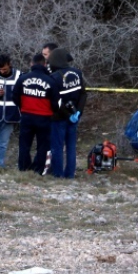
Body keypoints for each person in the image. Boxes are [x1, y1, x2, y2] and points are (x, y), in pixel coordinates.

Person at [12, 53, 58, 173]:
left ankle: (23, 167)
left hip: (26, 116)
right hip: (44, 117)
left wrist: (22, 107)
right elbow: (56, 102)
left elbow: (15, 96)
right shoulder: (51, 80)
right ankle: (39, 169)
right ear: (45, 64)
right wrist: (52, 112)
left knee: (24, 144)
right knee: (43, 145)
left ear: (31, 63)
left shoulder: (23, 78)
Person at [48, 48, 87, 179]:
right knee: (71, 147)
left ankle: (58, 174)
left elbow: (56, 101)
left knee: (57, 147)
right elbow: (83, 94)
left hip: (59, 117)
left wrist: (66, 114)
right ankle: (70, 174)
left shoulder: (54, 78)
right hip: (74, 116)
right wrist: (78, 113)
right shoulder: (77, 73)